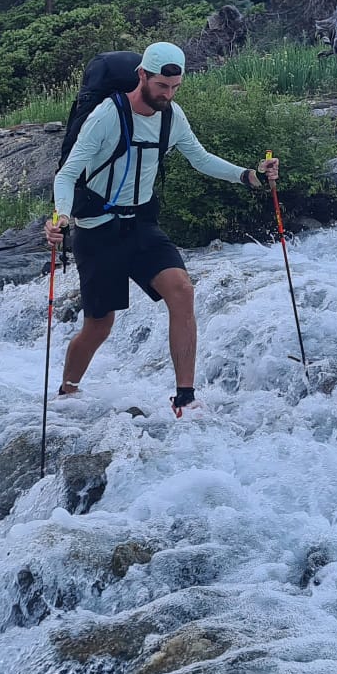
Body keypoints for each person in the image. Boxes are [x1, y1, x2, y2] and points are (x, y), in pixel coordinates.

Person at [45, 41, 280, 415]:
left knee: (182, 291)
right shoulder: (107, 116)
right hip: (97, 229)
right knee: (99, 325)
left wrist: (249, 176)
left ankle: (185, 397)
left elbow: (200, 159)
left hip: (140, 223)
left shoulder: (172, 117)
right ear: (143, 76)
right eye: (162, 87)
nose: (167, 95)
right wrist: (60, 216)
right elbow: (68, 174)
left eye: (175, 89)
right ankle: (68, 391)